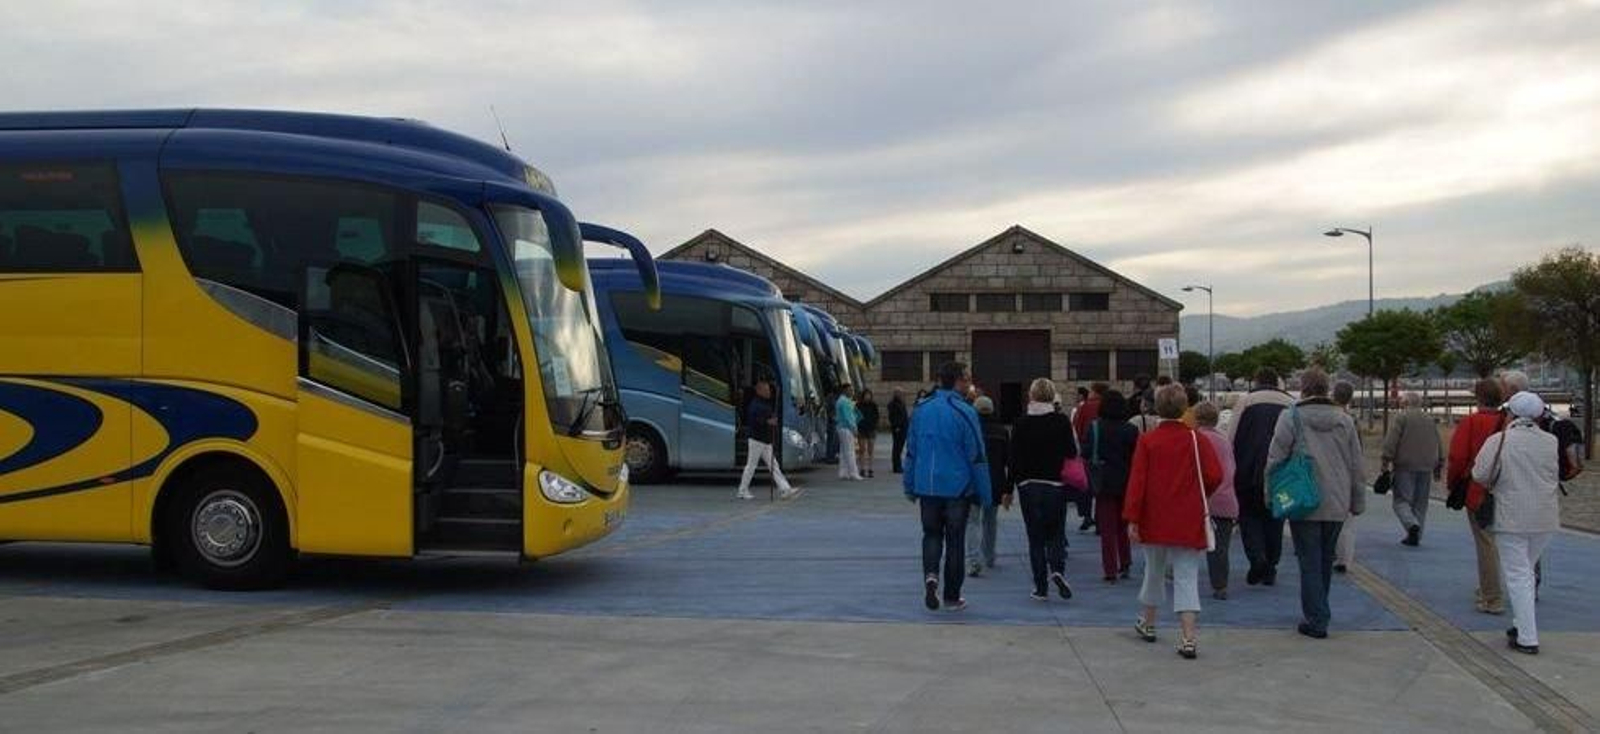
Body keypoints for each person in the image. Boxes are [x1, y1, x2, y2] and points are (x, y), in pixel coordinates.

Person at [1125, 384, 1223, 659]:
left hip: (1153, 517)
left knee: (1153, 571)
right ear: (1185, 407)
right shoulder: (1197, 439)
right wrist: (1198, 495)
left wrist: (1133, 518)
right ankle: (1188, 637)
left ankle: (1149, 621)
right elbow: (1215, 475)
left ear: (1156, 408)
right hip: (1188, 516)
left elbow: (1137, 482)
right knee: (1186, 576)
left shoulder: (1148, 441)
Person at [1268, 368, 1365, 639]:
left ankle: (1317, 617)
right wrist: (1357, 501)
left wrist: (1270, 493)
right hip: (1337, 499)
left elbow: (1275, 459)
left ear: (1303, 388)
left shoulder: (1290, 416)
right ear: (1327, 389)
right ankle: (1319, 609)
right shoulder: (1344, 420)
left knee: (1308, 559)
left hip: (1303, 498)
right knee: (1324, 559)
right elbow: (1356, 465)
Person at [1477, 392, 1562, 654]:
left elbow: (1480, 474)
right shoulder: (1550, 441)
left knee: (1518, 575)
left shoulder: (1499, 440)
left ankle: (1527, 636)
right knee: (1525, 571)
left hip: (1510, 515)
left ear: (1510, 413)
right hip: (1545, 516)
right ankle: (1520, 624)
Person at [903, 362, 993, 612]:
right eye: (966, 379)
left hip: (927, 486)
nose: (969, 383)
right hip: (957, 488)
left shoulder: (922, 409)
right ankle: (952, 596)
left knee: (931, 534)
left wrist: (910, 484)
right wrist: (985, 494)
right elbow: (977, 456)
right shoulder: (965, 411)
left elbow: (911, 451)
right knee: (955, 541)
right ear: (957, 380)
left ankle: (931, 576)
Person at [1008, 378, 1078, 601]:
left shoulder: (1020, 423)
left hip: (1029, 485)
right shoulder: (1061, 422)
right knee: (1056, 533)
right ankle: (1057, 570)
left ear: (1031, 396)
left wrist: (1008, 488)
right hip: (1055, 484)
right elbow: (1071, 452)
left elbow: (1013, 458)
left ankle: (1040, 587)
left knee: (1035, 537)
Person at [1227, 368, 1294, 586]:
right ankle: (1271, 565)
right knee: (1276, 516)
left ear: (1256, 382)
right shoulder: (1291, 403)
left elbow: (1231, 437)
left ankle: (1257, 558)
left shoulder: (1245, 401)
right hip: (1282, 473)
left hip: (1247, 469)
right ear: (1277, 382)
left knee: (1248, 515)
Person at [1448, 378, 1509, 615]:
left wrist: (1454, 484)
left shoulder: (1471, 422)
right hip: (1507, 489)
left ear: (1478, 398)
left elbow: (1459, 456)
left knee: (1485, 543)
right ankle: (1501, 588)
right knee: (1505, 542)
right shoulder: (1508, 423)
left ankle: (1491, 596)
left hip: (1479, 489)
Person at [1090, 389, 1140, 583]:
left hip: (1103, 481)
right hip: (1126, 480)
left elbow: (1086, 452)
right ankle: (1125, 562)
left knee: (1107, 529)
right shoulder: (1131, 430)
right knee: (1123, 526)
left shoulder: (1095, 427)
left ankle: (1109, 570)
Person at [1383, 392, 1444, 546]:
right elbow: (1438, 442)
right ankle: (1416, 534)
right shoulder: (1429, 420)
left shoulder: (1401, 418)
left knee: (1401, 500)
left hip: (1405, 465)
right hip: (1427, 465)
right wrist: (1439, 463)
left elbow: (1392, 441)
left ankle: (1411, 525)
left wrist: (1386, 460)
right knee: (1420, 503)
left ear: (1405, 403)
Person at [1194, 402, 1238, 600]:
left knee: (1187, 544)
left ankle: (1176, 573)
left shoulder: (1196, 439)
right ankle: (1220, 586)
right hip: (1227, 499)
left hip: (1203, 499)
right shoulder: (1225, 440)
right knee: (1220, 548)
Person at [968, 396, 1010, 576]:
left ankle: (973, 559)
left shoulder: (971, 430)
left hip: (974, 481)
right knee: (991, 520)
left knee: (973, 521)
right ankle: (990, 556)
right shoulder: (1002, 431)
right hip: (995, 481)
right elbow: (1008, 460)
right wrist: (1008, 487)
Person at [736, 380, 797, 500]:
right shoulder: (755, 405)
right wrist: (768, 421)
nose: (769, 392)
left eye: (769, 390)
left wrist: (772, 419)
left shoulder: (765, 403)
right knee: (751, 465)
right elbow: (755, 421)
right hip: (757, 439)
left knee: (773, 465)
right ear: (759, 391)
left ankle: (785, 488)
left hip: (765, 439)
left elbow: (767, 417)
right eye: (766, 390)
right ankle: (742, 490)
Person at [1071, 382, 1108, 532]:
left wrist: (1081, 443)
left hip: (1088, 449)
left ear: (1095, 392)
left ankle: (1087, 516)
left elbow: (1077, 426)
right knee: (1102, 488)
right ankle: (1100, 520)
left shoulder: (1084, 406)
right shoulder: (1107, 405)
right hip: (1105, 451)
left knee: (1086, 486)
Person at [1331, 380, 1359, 573]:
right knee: (1347, 520)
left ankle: (1330, 551)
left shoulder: (1329, 418)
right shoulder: (1351, 421)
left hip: (1324, 473)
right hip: (1346, 475)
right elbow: (1357, 455)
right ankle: (1344, 559)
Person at [835, 385, 863, 481]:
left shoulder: (841, 401)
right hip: (847, 428)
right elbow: (848, 417)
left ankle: (843, 472)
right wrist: (854, 428)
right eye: (850, 390)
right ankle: (853, 473)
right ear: (845, 391)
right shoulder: (845, 402)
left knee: (844, 451)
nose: (852, 392)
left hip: (841, 427)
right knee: (850, 451)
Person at [857, 389, 881, 478]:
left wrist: (875, 425)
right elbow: (856, 416)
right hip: (862, 429)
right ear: (863, 396)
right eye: (866, 395)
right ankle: (862, 468)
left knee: (871, 450)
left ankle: (870, 469)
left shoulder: (873, 405)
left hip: (871, 429)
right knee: (862, 450)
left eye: (869, 395)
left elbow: (877, 416)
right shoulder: (858, 405)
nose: (868, 396)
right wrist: (858, 425)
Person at [889, 389, 910, 474]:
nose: (902, 395)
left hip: (903, 428)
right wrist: (896, 426)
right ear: (896, 394)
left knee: (899, 448)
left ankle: (898, 465)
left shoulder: (902, 403)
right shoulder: (893, 404)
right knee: (897, 448)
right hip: (898, 429)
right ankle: (896, 467)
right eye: (900, 393)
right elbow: (893, 417)